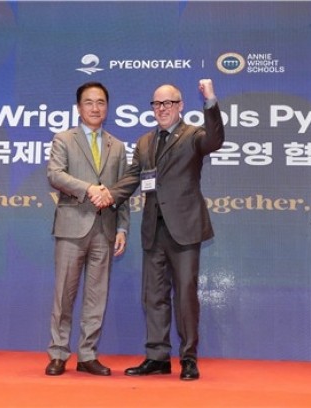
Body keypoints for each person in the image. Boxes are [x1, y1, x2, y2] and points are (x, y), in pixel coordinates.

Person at [92, 79, 225, 381]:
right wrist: (109, 195)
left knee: (185, 297)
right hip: (154, 230)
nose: (162, 108)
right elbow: (132, 178)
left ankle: (188, 358)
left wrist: (210, 100)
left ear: (180, 106)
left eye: (168, 103)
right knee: (153, 296)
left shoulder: (193, 135)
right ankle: (157, 357)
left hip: (185, 229)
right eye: (157, 104)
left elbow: (215, 140)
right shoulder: (144, 142)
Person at [45, 81, 129, 377]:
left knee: (97, 296)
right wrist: (89, 188)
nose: (95, 108)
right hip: (72, 227)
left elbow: (122, 191)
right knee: (64, 295)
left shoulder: (117, 146)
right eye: (89, 102)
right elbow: (55, 174)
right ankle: (58, 353)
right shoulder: (64, 139)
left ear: (107, 107)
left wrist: (123, 228)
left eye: (101, 102)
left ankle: (88, 355)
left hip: (105, 229)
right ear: (79, 108)